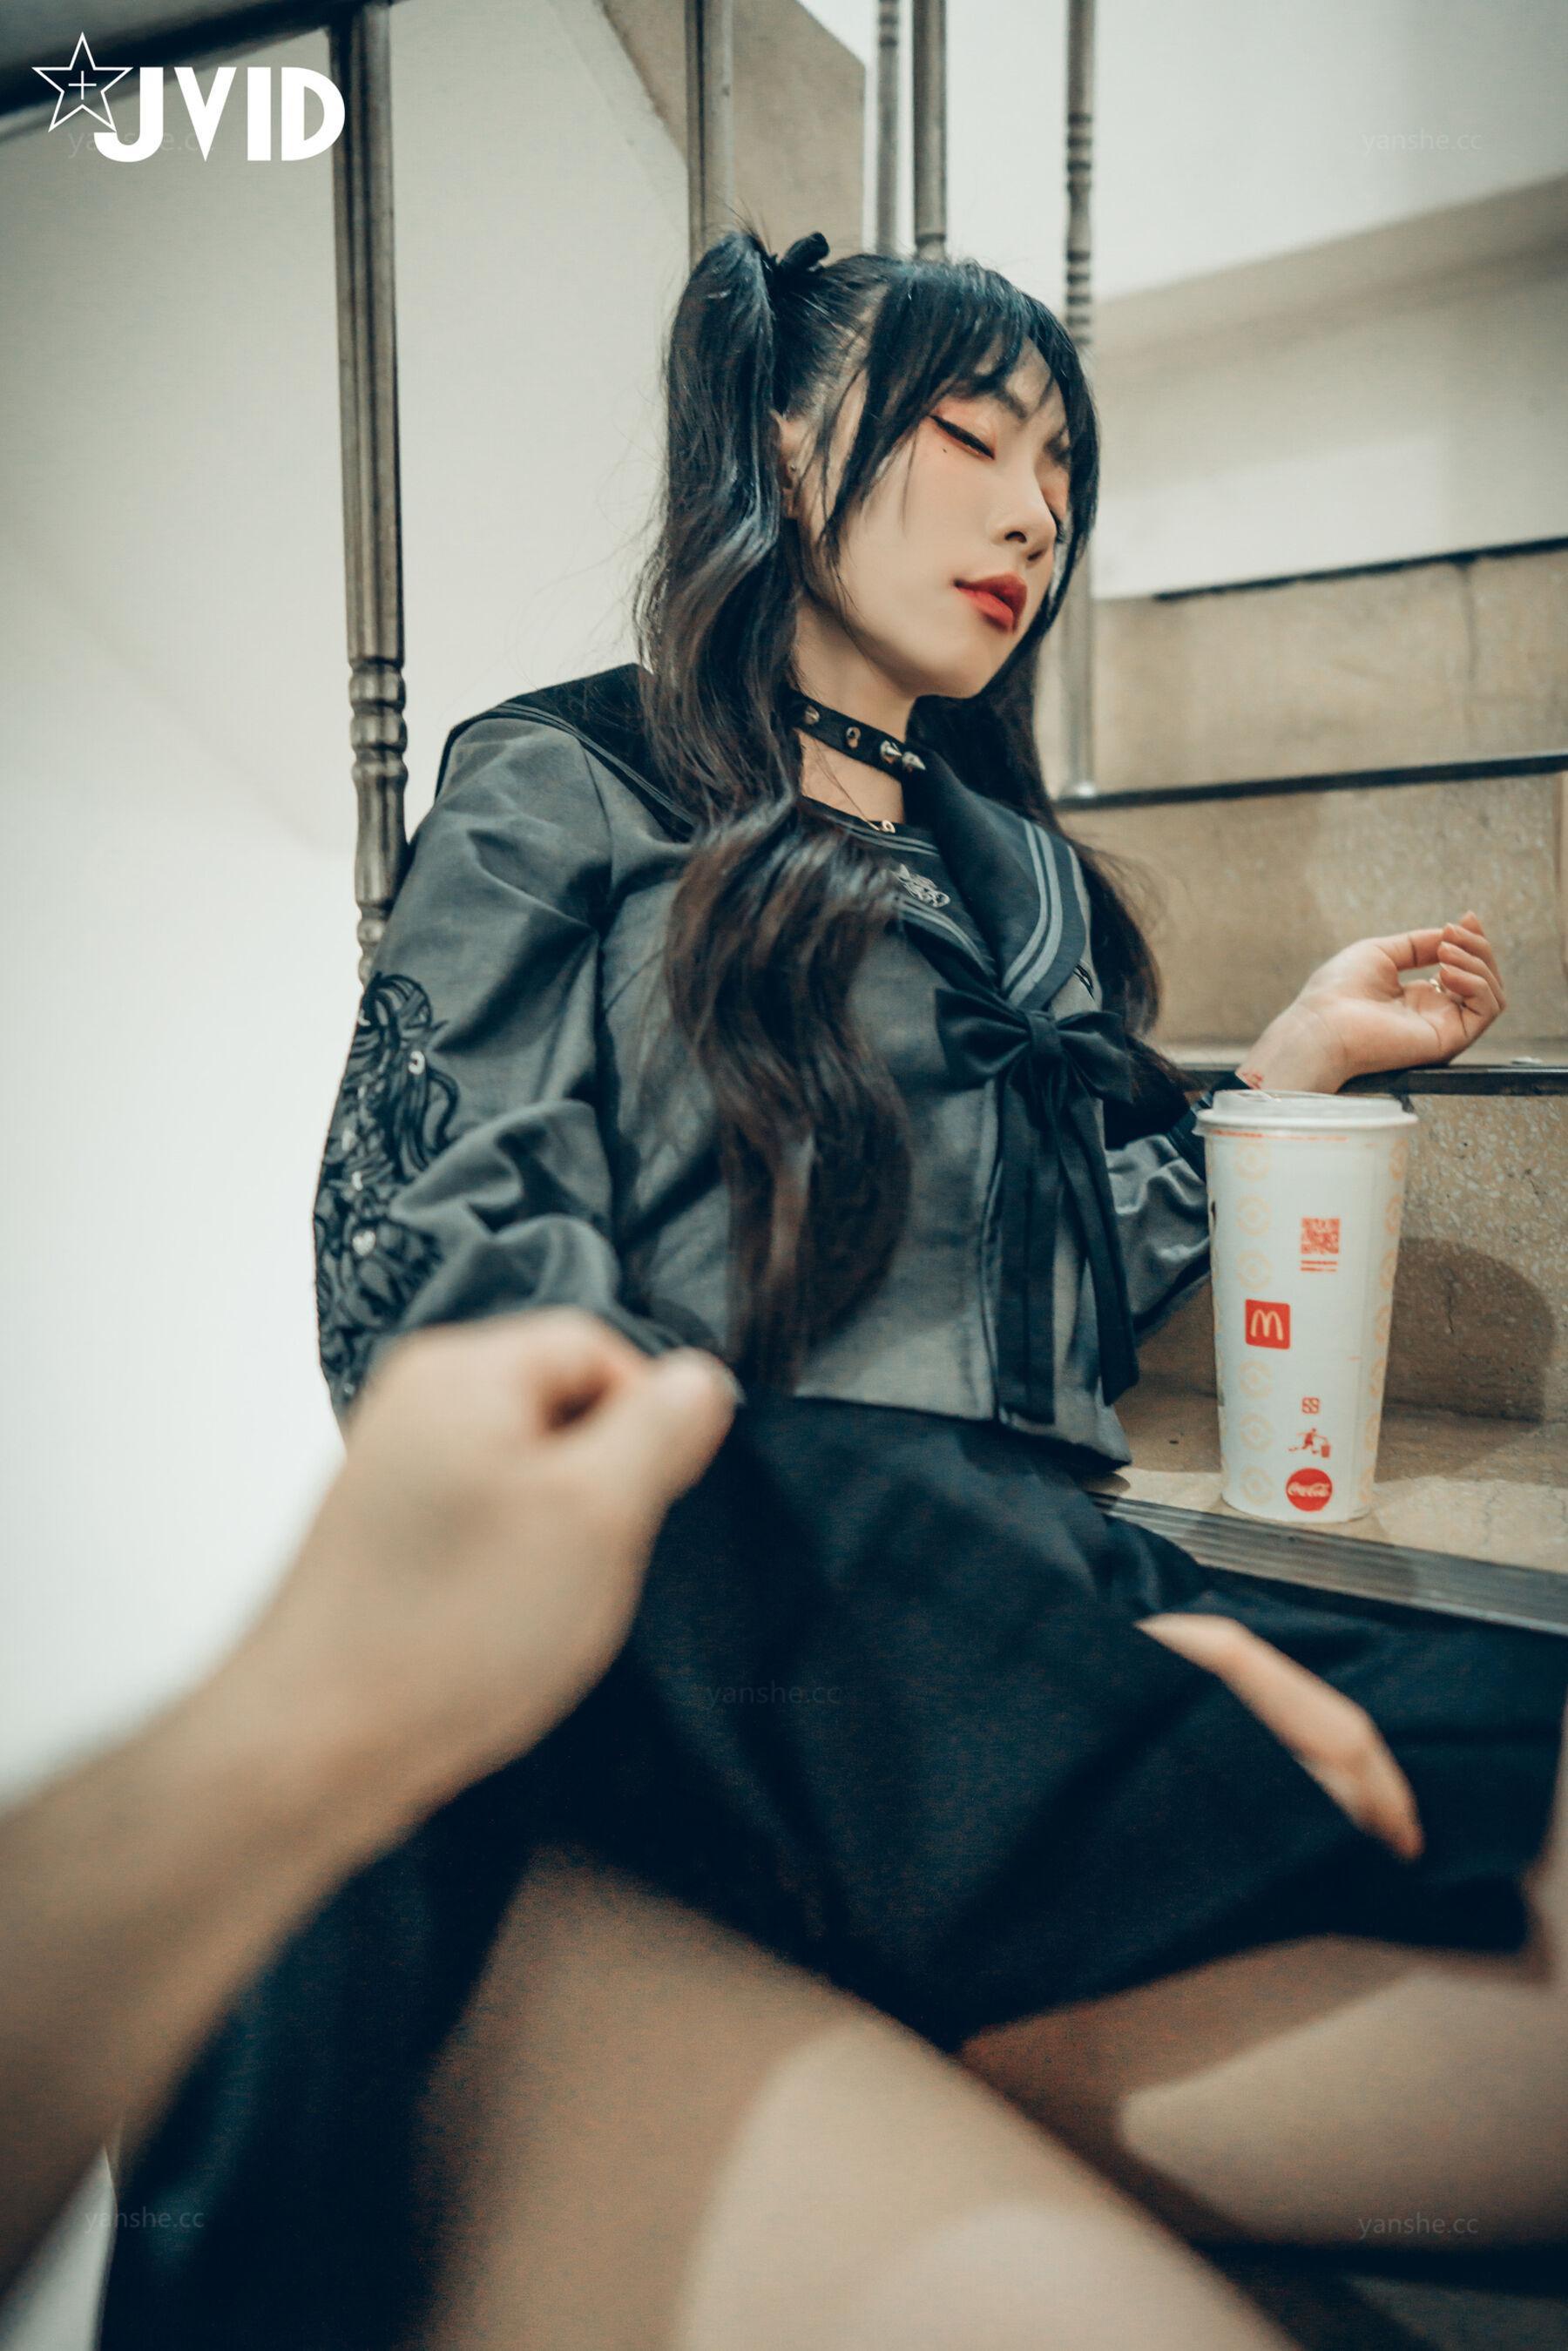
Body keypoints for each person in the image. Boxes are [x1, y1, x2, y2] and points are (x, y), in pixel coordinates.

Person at [101, 226, 1568, 2344]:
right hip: (734, 1578)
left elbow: (1051, 1302)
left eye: (1063, 469)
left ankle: (881, 2053)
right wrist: (1046, 1653)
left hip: (1030, 1568)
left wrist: (1284, 1076)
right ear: (786, 448)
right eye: (973, 435)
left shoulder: (1019, 878)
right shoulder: (569, 782)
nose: (1035, 512)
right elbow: (437, 1276)